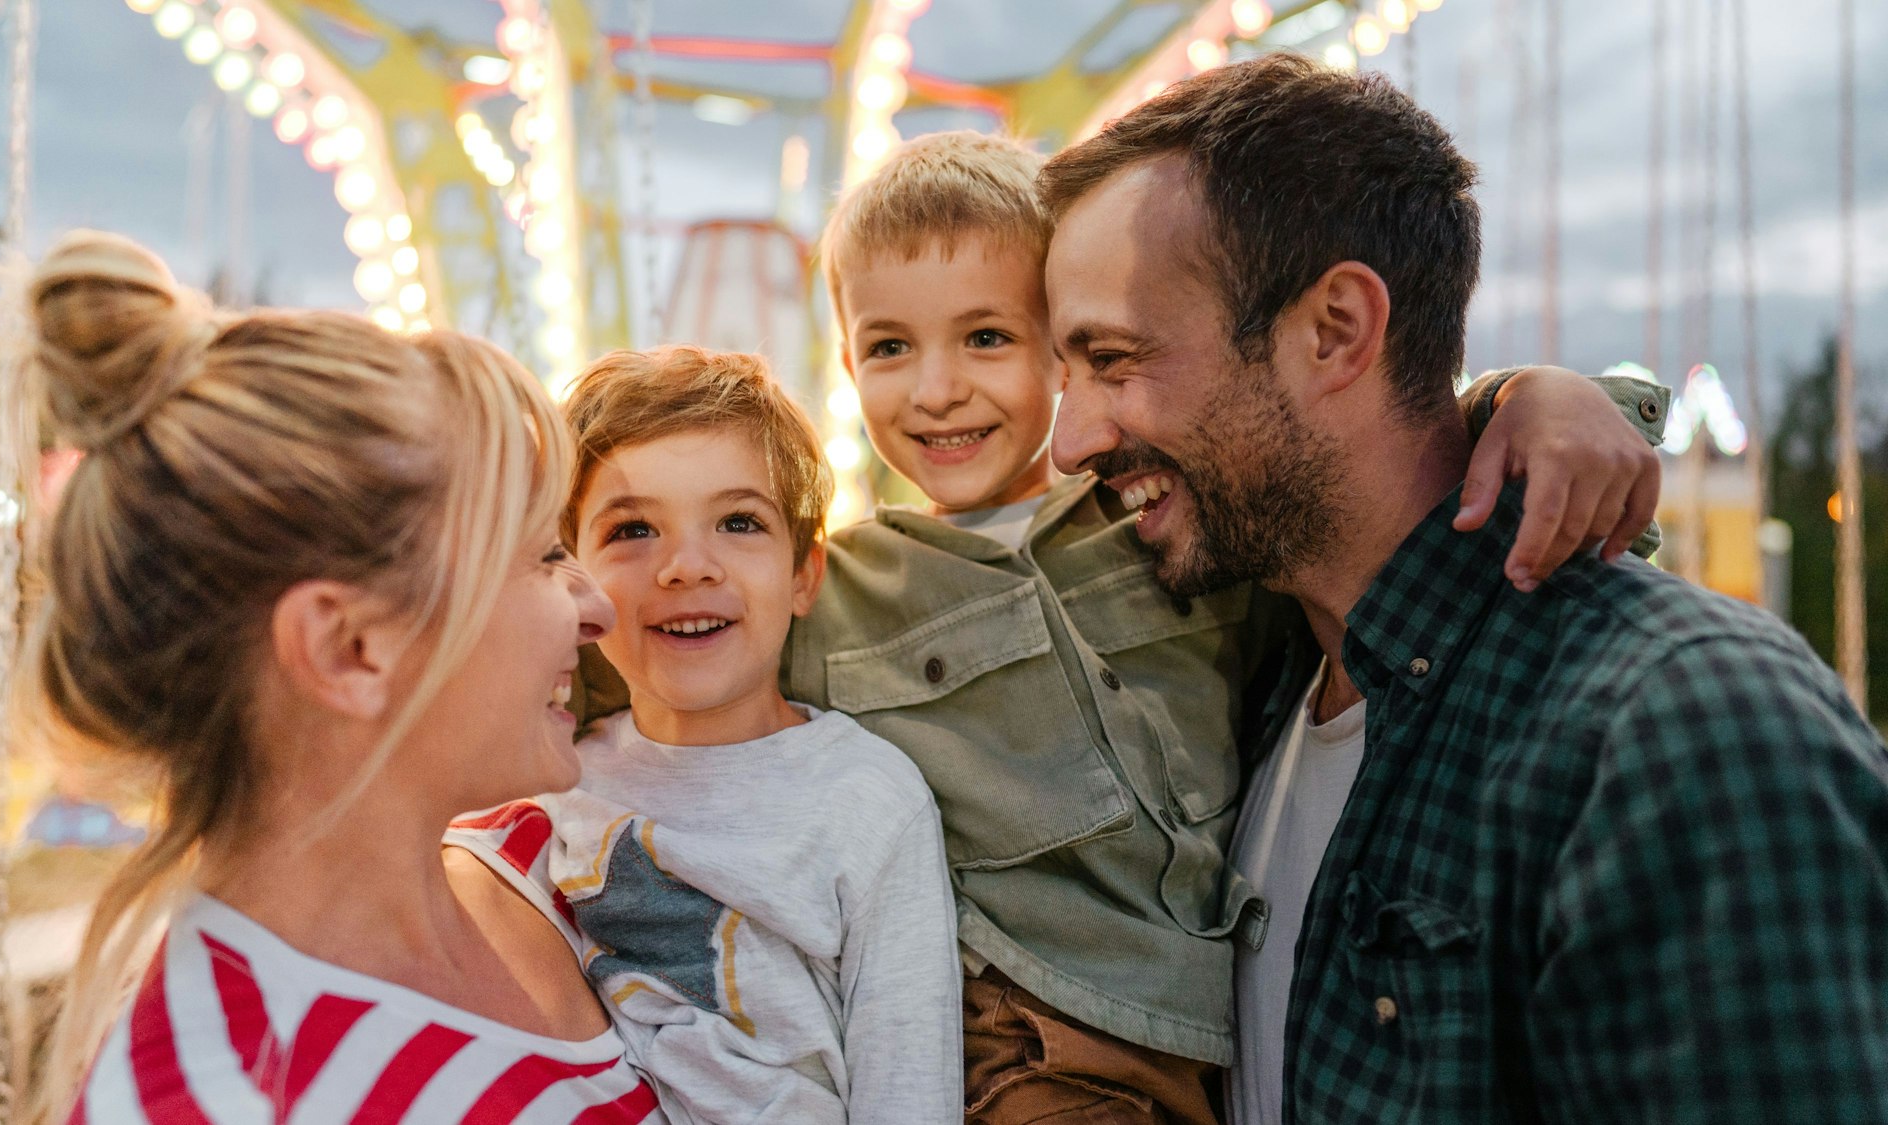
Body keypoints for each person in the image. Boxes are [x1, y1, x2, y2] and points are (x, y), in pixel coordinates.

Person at [592, 132, 1661, 1124]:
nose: (935, 390)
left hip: (1215, 1025)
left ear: (1064, 349)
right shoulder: (839, 585)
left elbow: (1368, 474)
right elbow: (634, 646)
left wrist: (1535, 395)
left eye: (985, 337)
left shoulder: (1173, 519)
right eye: (887, 348)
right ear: (846, 362)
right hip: (1030, 1039)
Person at [1041, 53, 1888, 1125]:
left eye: (1112, 360)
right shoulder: (1240, 668)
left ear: (1336, 329)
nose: (1070, 441)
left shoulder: (1679, 728)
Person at [27, 231, 662, 1124]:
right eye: (540, 557)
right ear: (348, 649)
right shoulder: (220, 1097)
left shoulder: (564, 868)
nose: (595, 606)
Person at [537, 345, 958, 1124]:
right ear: (576, 577)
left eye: (739, 521)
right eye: (633, 528)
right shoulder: (551, 782)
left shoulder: (868, 799)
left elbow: (909, 1081)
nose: (686, 566)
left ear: (803, 573)